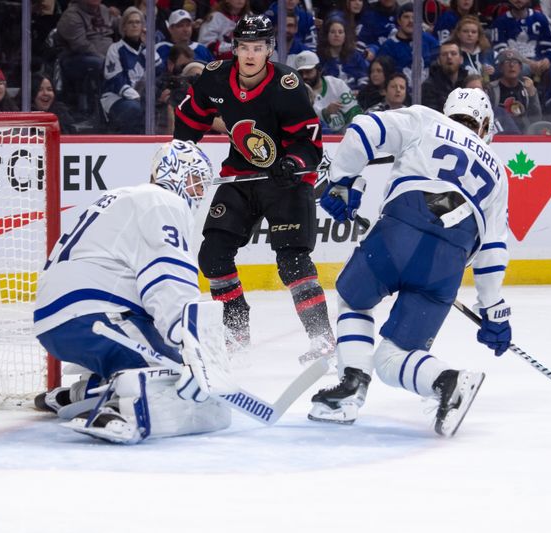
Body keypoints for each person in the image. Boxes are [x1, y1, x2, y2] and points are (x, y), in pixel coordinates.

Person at [309, 87, 511, 437]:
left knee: (354, 299)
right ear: (485, 127)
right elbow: (492, 252)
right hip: (448, 263)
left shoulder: (425, 120)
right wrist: (494, 310)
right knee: (395, 356)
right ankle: (447, 380)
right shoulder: (497, 173)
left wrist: (342, 181)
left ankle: (350, 388)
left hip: (402, 229)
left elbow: (361, 130)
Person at [34, 140, 231, 444]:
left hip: (59, 321)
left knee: (163, 362)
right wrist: (189, 343)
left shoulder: (125, 196)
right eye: (195, 180)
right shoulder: (163, 202)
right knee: (177, 377)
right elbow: (167, 277)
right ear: (174, 172)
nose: (199, 192)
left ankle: (77, 395)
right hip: (96, 315)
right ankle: (118, 411)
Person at [173, 14, 334, 362]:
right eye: (244, 46)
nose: (249, 54)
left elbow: (309, 142)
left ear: (269, 50)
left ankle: (322, 338)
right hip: (241, 176)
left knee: (292, 260)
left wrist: (294, 164)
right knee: (212, 257)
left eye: (258, 48)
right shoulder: (215, 77)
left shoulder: (286, 84)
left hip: (287, 182)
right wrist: (182, 158)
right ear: (235, 49)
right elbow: (189, 123)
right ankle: (236, 331)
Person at [101, 7, 162, 134]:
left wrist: (149, 46)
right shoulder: (116, 48)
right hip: (115, 97)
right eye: (130, 22)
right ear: (123, 27)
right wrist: (137, 97)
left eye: (138, 22)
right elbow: (115, 79)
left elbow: (160, 70)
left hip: (142, 98)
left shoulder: (145, 49)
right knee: (134, 109)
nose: (134, 25)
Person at [294, 50, 362, 133]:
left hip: (346, 137)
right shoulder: (296, 94)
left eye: (308, 71)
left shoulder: (337, 84)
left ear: (319, 69)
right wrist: (325, 113)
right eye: (300, 73)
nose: (304, 76)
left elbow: (355, 114)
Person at [490, 0, 551, 82]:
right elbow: (501, 51)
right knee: (521, 69)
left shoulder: (540, 18)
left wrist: (547, 59)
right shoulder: (500, 22)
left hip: (539, 62)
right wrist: (528, 62)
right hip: (513, 63)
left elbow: (550, 45)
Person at [487, 48, 542, 131]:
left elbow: (536, 119)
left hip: (524, 134)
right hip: (500, 135)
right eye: (507, 62)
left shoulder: (527, 88)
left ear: (520, 67)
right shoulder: (491, 89)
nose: (511, 65)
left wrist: (532, 95)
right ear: (501, 67)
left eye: (515, 62)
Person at [317, 16, 370, 91]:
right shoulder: (319, 58)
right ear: (327, 35)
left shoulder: (355, 56)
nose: (337, 35)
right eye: (332, 32)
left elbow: (364, 77)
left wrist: (359, 91)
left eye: (340, 32)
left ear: (345, 35)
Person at [421, 40, 469, 111]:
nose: (449, 57)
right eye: (444, 54)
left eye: (453, 53)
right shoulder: (429, 85)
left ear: (461, 59)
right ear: (439, 60)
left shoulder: (468, 82)